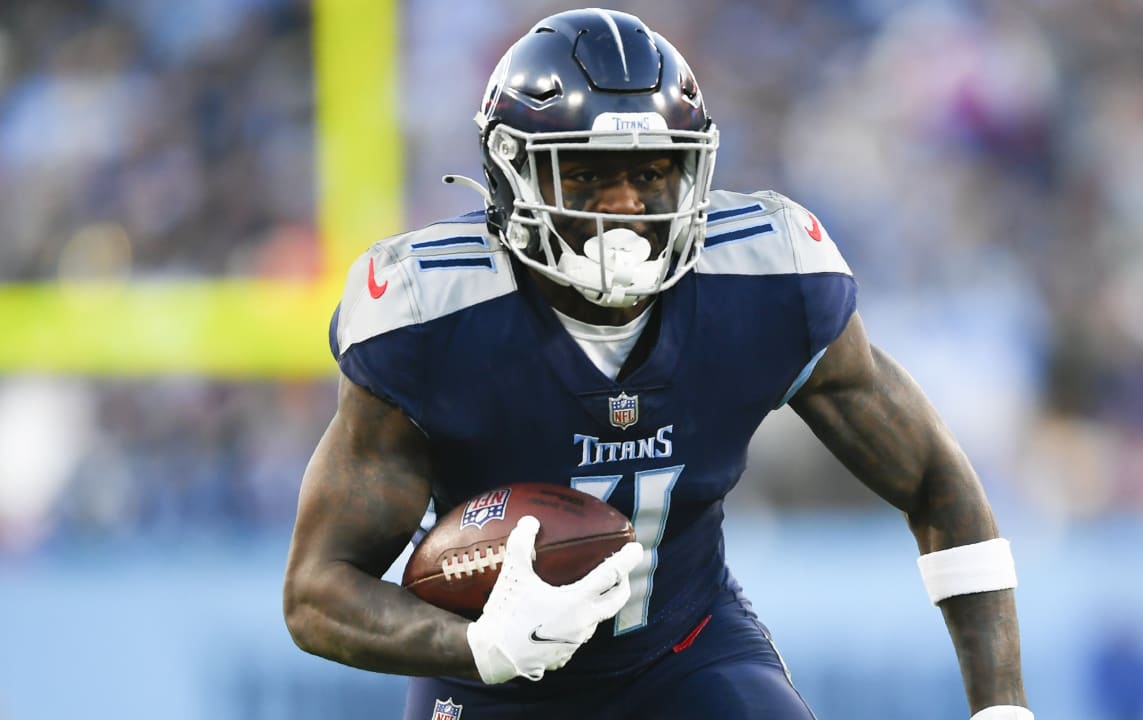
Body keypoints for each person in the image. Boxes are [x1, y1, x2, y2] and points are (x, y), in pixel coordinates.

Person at [283, 8, 1032, 720]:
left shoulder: (768, 277)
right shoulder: (433, 314)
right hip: (491, 688)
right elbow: (317, 591)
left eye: (651, 174)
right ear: (511, 177)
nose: (624, 208)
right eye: (584, 175)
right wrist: (477, 643)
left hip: (686, 651)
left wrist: (1002, 705)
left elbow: (935, 479)